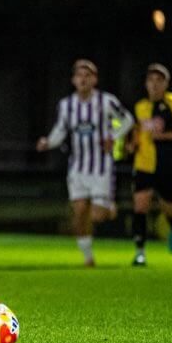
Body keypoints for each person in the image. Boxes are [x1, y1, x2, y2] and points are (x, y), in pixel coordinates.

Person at [36, 59, 134, 267]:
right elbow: (60, 130)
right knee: (80, 213)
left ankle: (109, 206)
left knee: (98, 215)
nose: (83, 79)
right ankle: (88, 258)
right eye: (79, 75)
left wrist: (113, 136)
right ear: (73, 80)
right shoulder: (66, 105)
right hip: (78, 167)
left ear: (94, 80)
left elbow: (127, 120)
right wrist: (48, 142)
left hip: (101, 167)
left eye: (88, 75)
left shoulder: (106, 101)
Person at [127, 63, 172, 266]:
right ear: (146, 83)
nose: (155, 84)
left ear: (166, 83)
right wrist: (131, 145)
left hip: (166, 164)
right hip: (143, 164)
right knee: (140, 206)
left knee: (168, 208)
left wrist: (162, 136)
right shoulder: (140, 107)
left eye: (159, 80)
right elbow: (137, 131)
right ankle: (140, 252)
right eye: (151, 80)